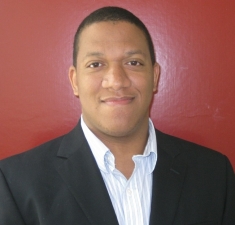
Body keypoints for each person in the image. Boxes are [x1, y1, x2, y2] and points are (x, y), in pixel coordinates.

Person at [0, 6, 234, 225]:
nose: (116, 81)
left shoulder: (214, 175)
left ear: (154, 76)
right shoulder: (15, 183)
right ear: (74, 81)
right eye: (96, 64)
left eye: (133, 62)